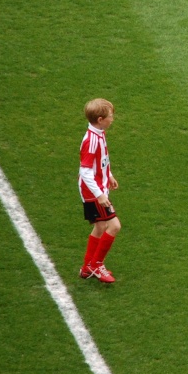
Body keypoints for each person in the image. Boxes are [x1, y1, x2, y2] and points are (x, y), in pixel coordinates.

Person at [78, 98, 120, 283]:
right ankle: (96, 264)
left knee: (101, 226)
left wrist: (108, 175)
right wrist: (100, 195)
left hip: (98, 187)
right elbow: (85, 171)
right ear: (101, 119)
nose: (113, 119)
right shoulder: (92, 140)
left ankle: (87, 268)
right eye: (111, 116)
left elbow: (101, 160)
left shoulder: (99, 133)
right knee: (114, 226)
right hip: (93, 192)